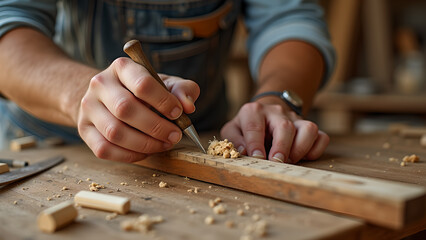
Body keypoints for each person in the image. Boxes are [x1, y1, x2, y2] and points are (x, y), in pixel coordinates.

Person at [0, 0, 335, 164]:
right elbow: (9, 23)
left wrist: (277, 99)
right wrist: (76, 94)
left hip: (201, 137)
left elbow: (289, 18)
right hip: (46, 147)